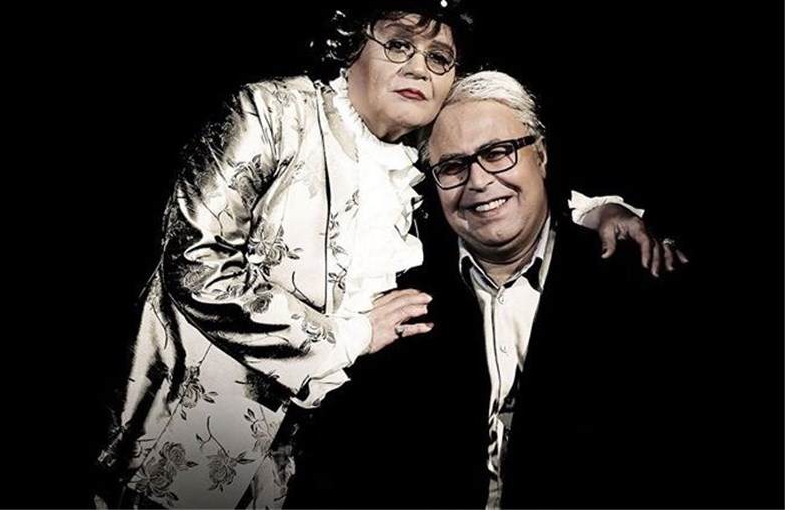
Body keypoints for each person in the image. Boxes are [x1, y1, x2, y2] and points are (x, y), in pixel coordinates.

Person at [93, 0, 682, 509]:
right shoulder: (274, 113)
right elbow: (196, 263)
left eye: (439, 58)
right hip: (183, 445)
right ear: (350, 46)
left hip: (300, 472)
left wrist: (598, 209)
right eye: (399, 45)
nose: (419, 67)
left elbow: (498, 180)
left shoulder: (414, 170)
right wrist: (347, 337)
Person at [285, 70, 707, 510]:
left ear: (540, 155)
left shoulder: (638, 281)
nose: (479, 181)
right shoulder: (390, 298)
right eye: (453, 166)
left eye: (497, 152)